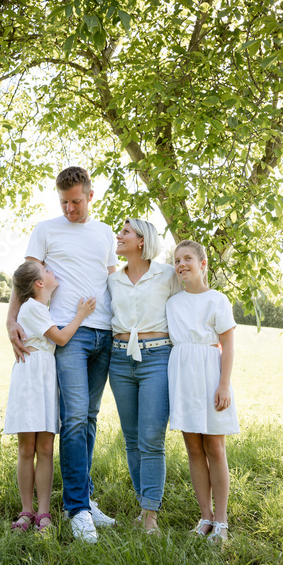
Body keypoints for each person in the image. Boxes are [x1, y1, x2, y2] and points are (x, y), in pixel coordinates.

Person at [6, 166, 118, 543]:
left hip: (105, 333)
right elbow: (23, 278)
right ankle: (76, 510)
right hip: (69, 337)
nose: (70, 209)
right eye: (64, 202)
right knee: (71, 419)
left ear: (90, 196)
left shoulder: (105, 233)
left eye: (76, 201)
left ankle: (85, 497)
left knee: (88, 418)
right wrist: (11, 322)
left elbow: (113, 280)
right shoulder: (46, 230)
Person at [4, 260, 96, 534]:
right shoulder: (32, 308)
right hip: (30, 379)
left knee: (45, 449)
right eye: (47, 270)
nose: (53, 271)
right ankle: (26, 510)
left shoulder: (41, 308)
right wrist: (81, 315)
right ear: (39, 284)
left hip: (45, 380)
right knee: (27, 449)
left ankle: (43, 512)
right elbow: (61, 338)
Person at [106, 219, 181, 534]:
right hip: (120, 359)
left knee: (152, 439)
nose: (118, 237)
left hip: (156, 357)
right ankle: (142, 504)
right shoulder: (112, 279)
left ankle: (150, 516)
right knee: (132, 439)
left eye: (125, 233)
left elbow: (190, 302)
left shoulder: (166, 274)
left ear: (142, 241)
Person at [166, 239, 238, 544]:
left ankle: (221, 521)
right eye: (177, 260)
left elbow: (229, 344)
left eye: (187, 259)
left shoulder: (217, 300)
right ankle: (205, 515)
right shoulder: (172, 303)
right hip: (182, 376)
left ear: (202, 264)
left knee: (215, 448)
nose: (182, 265)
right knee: (193, 448)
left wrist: (224, 384)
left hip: (209, 374)